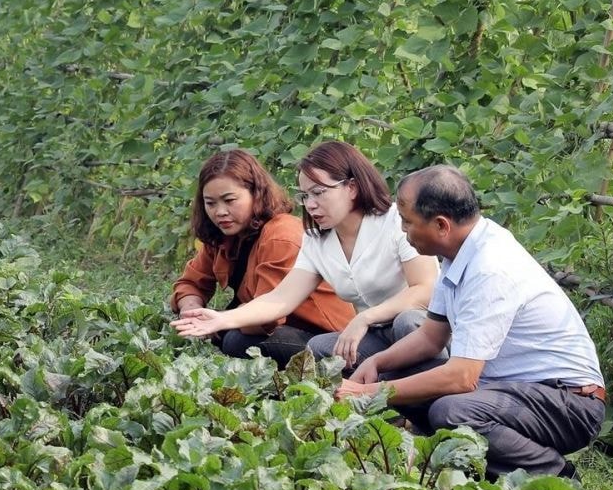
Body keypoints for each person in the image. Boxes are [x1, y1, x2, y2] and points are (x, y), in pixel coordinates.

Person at [335, 165, 606, 479]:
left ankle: (554, 475)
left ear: (441, 225)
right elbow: (430, 338)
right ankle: (455, 460)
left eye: (407, 222)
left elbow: (462, 379)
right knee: (397, 375)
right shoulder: (460, 252)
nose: (403, 232)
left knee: (451, 411)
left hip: (568, 402)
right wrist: (378, 363)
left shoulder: (489, 268)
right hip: (512, 390)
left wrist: (367, 393)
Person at [174, 141, 437, 376]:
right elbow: (279, 299)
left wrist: (364, 318)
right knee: (319, 348)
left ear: (352, 187)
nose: (310, 204)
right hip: (374, 334)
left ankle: (427, 389)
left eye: (319, 193)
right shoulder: (317, 239)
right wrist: (222, 319)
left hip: (425, 327)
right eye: (305, 195)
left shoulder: (394, 221)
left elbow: (425, 290)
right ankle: (386, 388)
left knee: (407, 320)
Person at [171, 149, 354, 362]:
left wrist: (222, 319)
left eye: (229, 200)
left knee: (235, 340)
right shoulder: (222, 234)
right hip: (275, 324)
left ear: (256, 195)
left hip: (326, 335)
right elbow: (191, 283)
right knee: (221, 333)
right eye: (210, 203)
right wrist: (191, 312)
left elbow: (267, 318)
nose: (220, 212)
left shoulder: (281, 235)